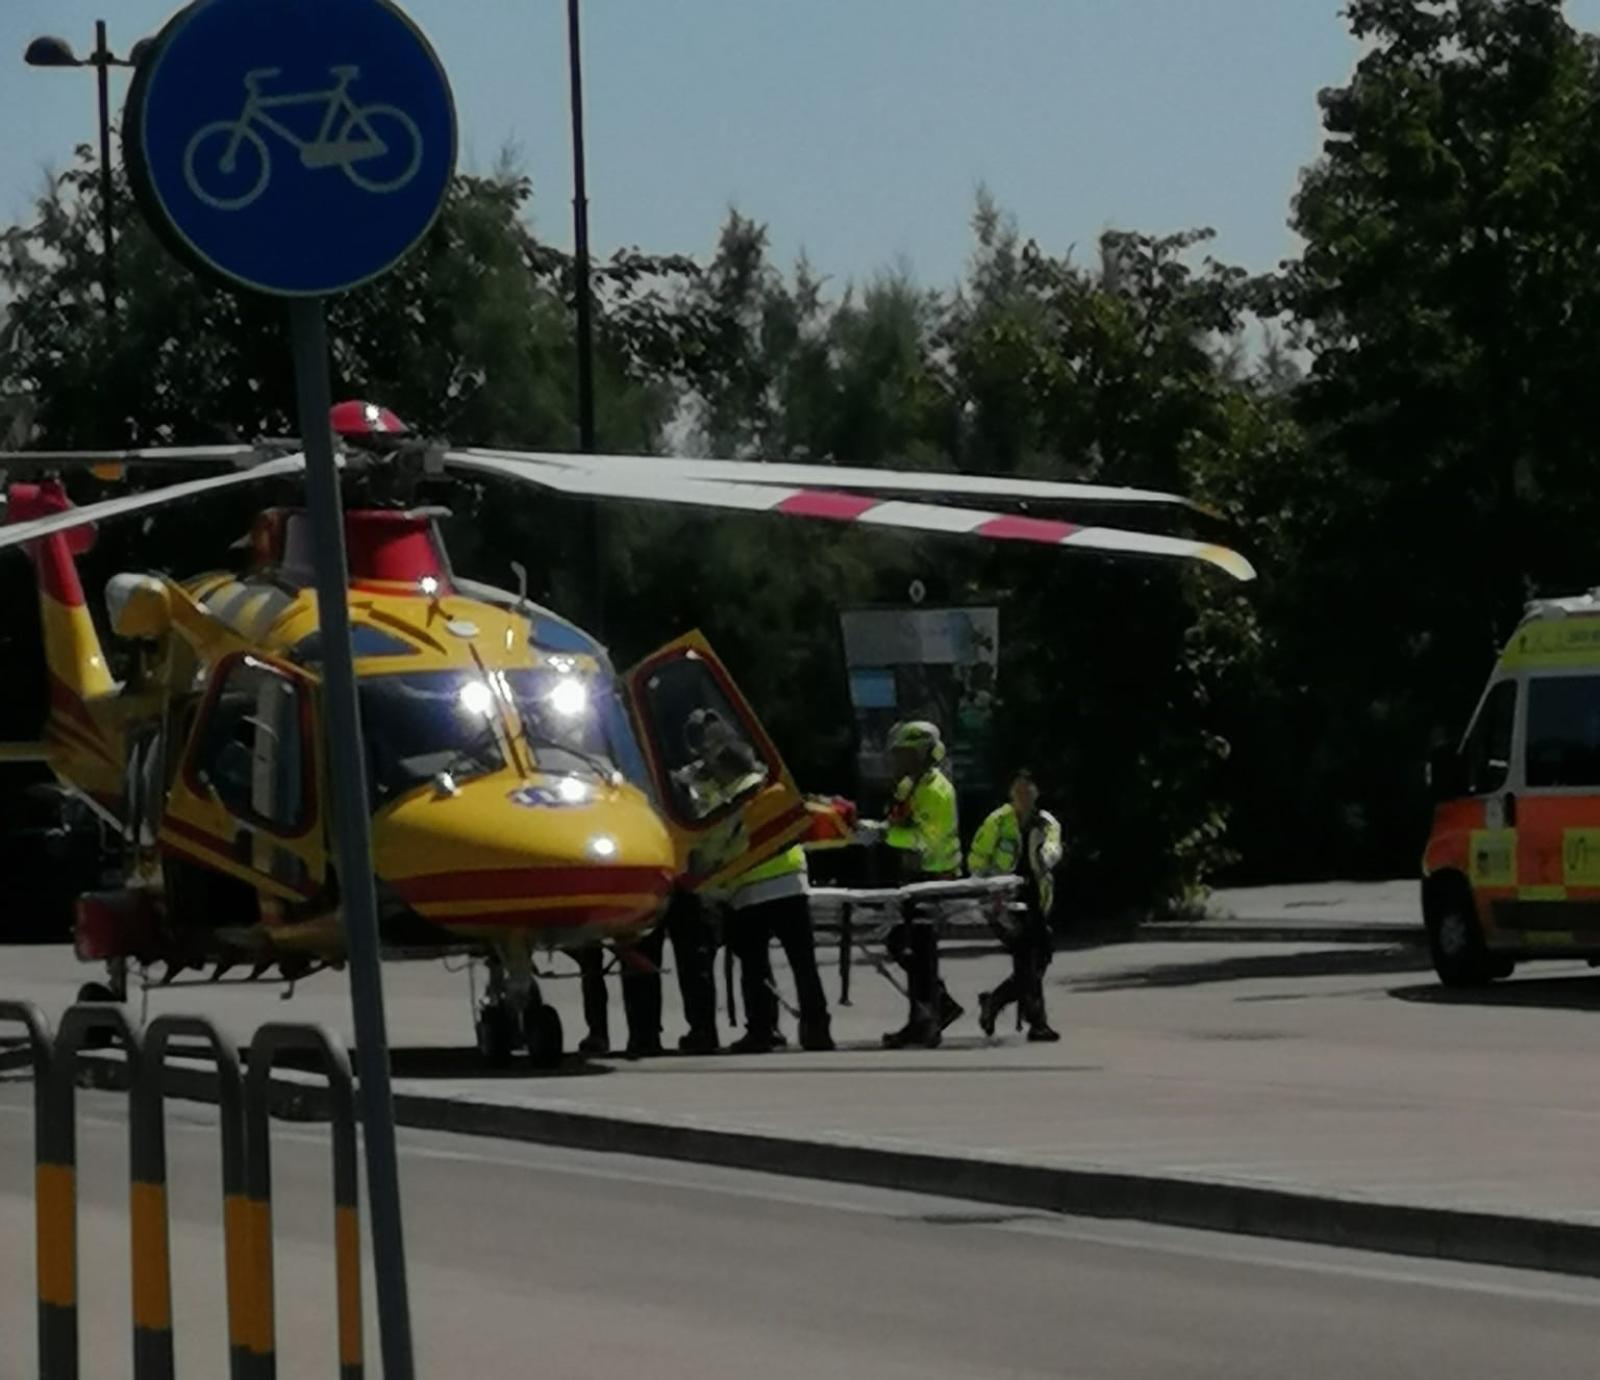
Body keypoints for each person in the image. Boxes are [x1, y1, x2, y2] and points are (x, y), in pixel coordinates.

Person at [879, 720, 964, 1048]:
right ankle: (932, 1010)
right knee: (905, 945)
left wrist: (883, 835)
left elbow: (923, 840)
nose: (896, 761)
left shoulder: (935, 789)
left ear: (920, 753)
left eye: (902, 753)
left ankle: (927, 1019)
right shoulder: (912, 785)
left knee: (918, 949)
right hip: (917, 880)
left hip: (935, 877)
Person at [969, 769, 1064, 1042]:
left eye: (1028, 790)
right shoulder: (997, 821)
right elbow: (977, 860)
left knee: (1041, 957)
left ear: (1036, 793)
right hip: (1003, 901)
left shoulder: (1046, 823)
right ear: (1011, 792)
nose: (1023, 795)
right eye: (1018, 790)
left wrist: (1048, 855)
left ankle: (994, 1002)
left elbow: (1054, 848)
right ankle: (1038, 1023)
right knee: (1025, 958)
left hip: (1036, 900)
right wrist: (990, 887)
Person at [724, 842, 833, 1053]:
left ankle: (762, 1030)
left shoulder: (731, 808)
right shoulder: (777, 806)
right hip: (791, 878)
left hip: (750, 884)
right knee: (804, 963)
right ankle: (816, 1028)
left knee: (755, 966)